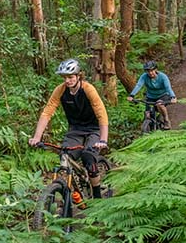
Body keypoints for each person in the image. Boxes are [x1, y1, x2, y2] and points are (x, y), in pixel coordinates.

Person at [28, 58, 109, 198]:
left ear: (79, 76)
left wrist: (103, 139)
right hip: (75, 129)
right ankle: (70, 196)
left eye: (70, 77)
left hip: (94, 129)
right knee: (65, 156)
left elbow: (101, 114)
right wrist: (37, 137)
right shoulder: (60, 90)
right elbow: (47, 112)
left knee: (89, 159)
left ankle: (97, 197)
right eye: (64, 77)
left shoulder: (88, 89)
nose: (67, 80)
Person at [126, 61, 177, 130]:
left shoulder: (163, 77)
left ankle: (166, 121)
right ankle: (148, 127)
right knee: (147, 114)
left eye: (152, 70)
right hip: (150, 97)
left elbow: (168, 88)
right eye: (148, 71)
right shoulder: (144, 76)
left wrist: (173, 97)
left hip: (163, 95)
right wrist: (132, 95)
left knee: (159, 104)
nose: (150, 73)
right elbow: (139, 85)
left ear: (155, 69)